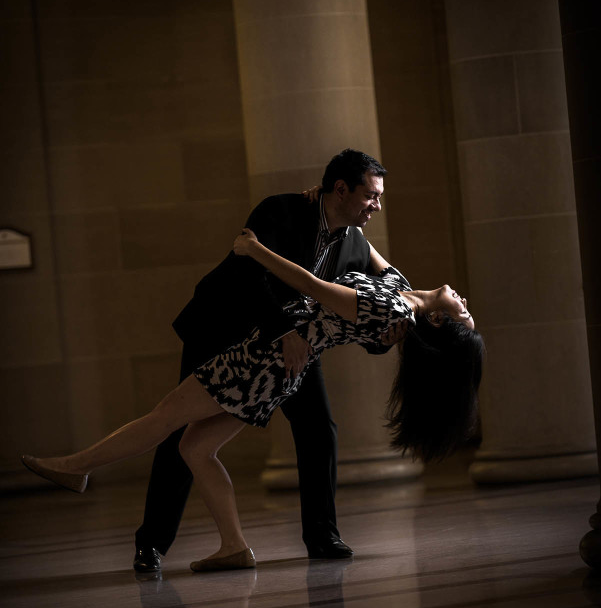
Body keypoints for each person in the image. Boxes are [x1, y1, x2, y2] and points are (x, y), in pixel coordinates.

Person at [22, 229, 483, 573]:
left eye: (463, 312)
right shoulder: (402, 294)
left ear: (441, 325)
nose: (464, 300)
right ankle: (233, 546)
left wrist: (255, 250)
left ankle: (76, 466)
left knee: (166, 418)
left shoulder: (394, 309)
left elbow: (312, 286)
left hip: (261, 363)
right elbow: (362, 244)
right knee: (194, 448)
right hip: (275, 370)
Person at [133, 148, 406, 573]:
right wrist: (284, 332)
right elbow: (248, 277)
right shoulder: (280, 209)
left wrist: (387, 339)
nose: (377, 206)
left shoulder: (355, 244)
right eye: (371, 195)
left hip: (293, 347)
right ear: (340, 189)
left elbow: (374, 308)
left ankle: (322, 536)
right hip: (225, 331)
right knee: (177, 429)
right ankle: (151, 544)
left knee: (318, 428)